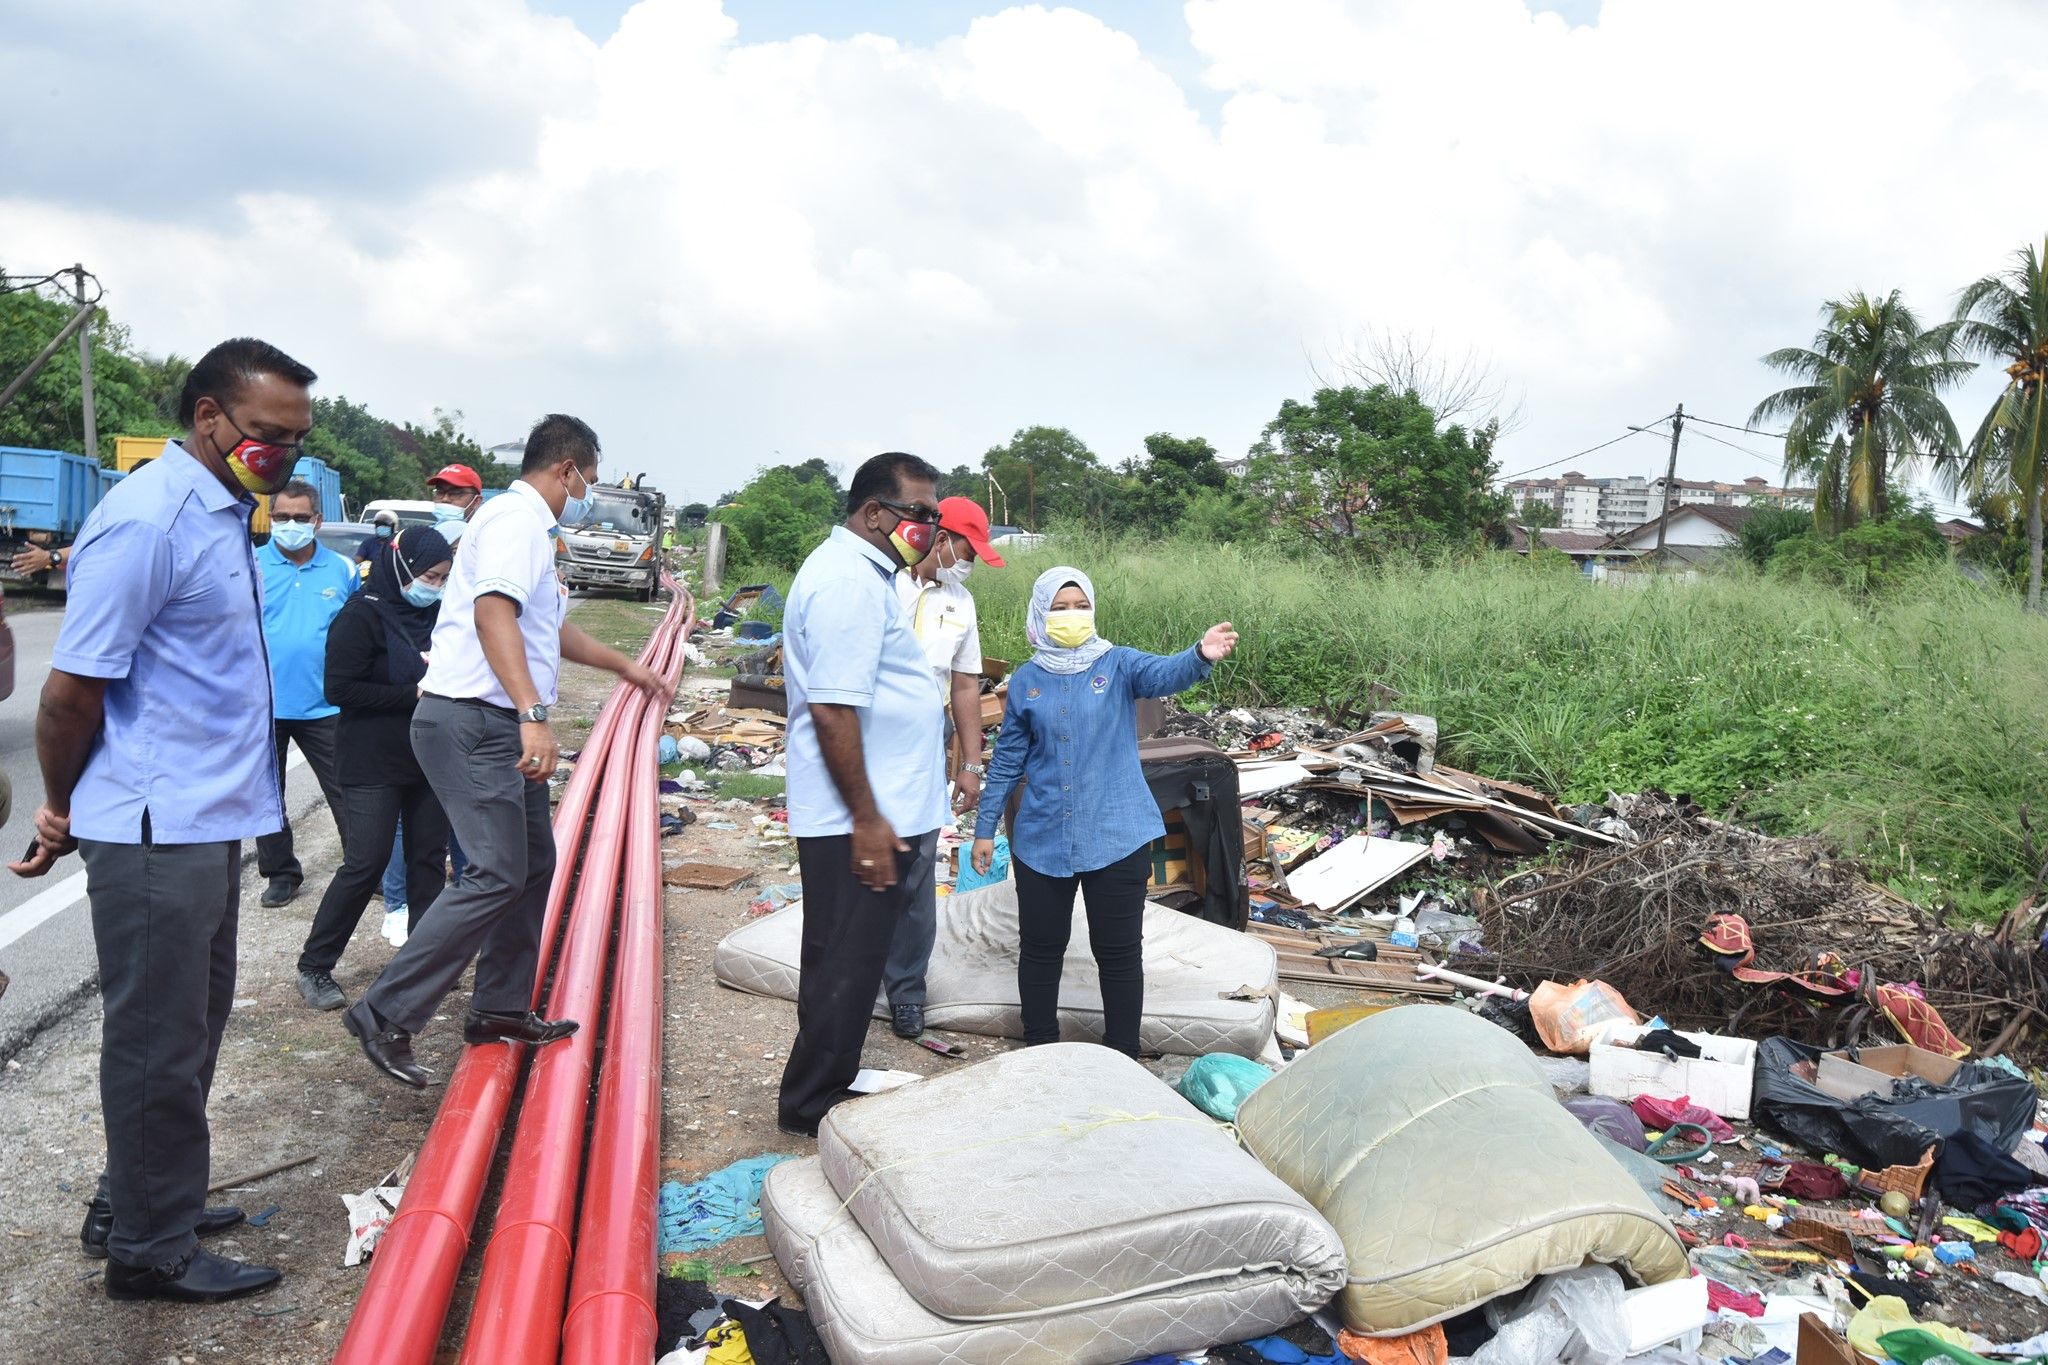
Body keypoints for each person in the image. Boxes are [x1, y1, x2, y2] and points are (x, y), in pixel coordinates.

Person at [8, 337, 317, 1303]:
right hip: (154, 828)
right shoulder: (151, 520)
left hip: (203, 818)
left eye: (299, 440)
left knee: (190, 1026)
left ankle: (134, 1196)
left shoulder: (223, 511)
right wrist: (61, 804)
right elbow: (69, 696)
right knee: (157, 1040)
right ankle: (151, 1247)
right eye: (269, 435)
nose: (285, 456)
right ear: (210, 417)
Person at [341, 414, 664, 1088]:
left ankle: (499, 1005)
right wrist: (533, 714)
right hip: (474, 722)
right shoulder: (515, 524)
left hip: (490, 721)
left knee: (532, 863)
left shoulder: (525, 531)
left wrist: (626, 667)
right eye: (588, 481)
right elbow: (494, 616)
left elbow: (551, 632)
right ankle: (385, 1011)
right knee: (492, 870)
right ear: (564, 469)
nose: (586, 493)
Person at [969, 568, 1237, 1057]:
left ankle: (1122, 1055)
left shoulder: (1118, 665)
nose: (1072, 616)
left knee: (1117, 953)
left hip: (1116, 832)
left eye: (1080, 606)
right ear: (1040, 614)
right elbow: (1008, 757)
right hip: (1043, 835)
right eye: (1059, 607)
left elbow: (1163, 673)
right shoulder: (1027, 680)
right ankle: (1039, 1050)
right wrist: (985, 828)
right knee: (1040, 949)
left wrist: (1199, 655)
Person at [777, 452, 948, 1137]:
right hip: (859, 814)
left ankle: (828, 1078)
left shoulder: (865, 575)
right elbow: (833, 710)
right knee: (847, 960)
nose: (929, 528)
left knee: (843, 957)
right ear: (874, 513)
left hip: (869, 808)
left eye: (934, 515)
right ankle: (813, 1103)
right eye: (918, 513)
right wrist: (869, 819)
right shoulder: (848, 580)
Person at [294, 527, 454, 1012]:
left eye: (445, 578)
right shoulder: (360, 616)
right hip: (372, 760)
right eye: (430, 576)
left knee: (428, 862)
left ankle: (421, 967)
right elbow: (340, 690)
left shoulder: (440, 616)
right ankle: (315, 966)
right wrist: (412, 695)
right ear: (403, 567)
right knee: (366, 862)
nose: (437, 586)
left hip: (428, 759)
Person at [883, 495, 1006, 1039]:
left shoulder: (962, 602)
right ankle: (855, 980)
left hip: (925, 746)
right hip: (868, 738)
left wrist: (971, 764)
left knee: (915, 871)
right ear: (940, 538)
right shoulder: (884, 584)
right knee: (861, 863)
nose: (970, 562)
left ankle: (906, 992)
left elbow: (963, 686)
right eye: (968, 550)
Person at [253, 479, 358, 907]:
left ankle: (362, 866)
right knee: (265, 796)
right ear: (271, 518)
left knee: (346, 789)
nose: (290, 525)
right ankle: (281, 872)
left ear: (316, 521)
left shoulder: (344, 570)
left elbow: (358, 635)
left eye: (299, 518)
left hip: (327, 705)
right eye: (281, 518)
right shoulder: (250, 565)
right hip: (263, 705)